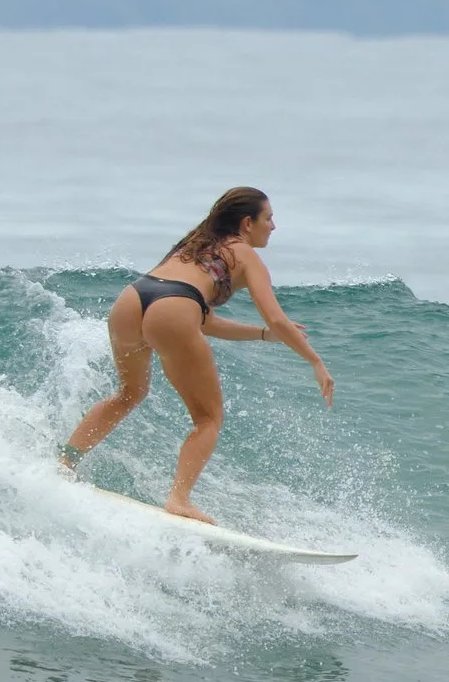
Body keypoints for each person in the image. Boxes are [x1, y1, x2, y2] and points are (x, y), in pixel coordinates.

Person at [59, 186, 334, 524]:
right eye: (269, 218)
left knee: (129, 394)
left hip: (132, 299)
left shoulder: (195, 245)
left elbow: (197, 318)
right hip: (175, 308)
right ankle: (179, 498)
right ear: (247, 223)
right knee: (208, 419)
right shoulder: (246, 256)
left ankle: (66, 463)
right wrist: (315, 361)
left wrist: (262, 336)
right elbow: (274, 317)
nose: (273, 226)